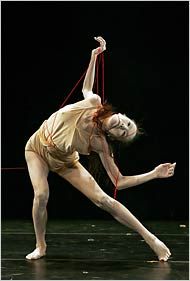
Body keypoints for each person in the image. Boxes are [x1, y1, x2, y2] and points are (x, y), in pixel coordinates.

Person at [25, 36, 176, 261]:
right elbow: (87, 86)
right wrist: (94, 56)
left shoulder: (100, 144)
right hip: (37, 149)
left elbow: (119, 182)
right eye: (126, 122)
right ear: (120, 114)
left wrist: (154, 174)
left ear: (114, 137)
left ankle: (151, 239)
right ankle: (41, 245)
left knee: (104, 200)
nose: (122, 126)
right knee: (41, 194)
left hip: (65, 160)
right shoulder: (94, 102)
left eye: (124, 132)